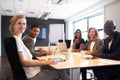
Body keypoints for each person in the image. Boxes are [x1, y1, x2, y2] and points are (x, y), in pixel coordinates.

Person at [9, 14, 69, 80]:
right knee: (60, 70)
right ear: (13, 25)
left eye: (24, 24)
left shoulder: (16, 39)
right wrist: (45, 62)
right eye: (19, 23)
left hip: (32, 70)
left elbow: (27, 54)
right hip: (32, 75)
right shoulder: (18, 40)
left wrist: (42, 61)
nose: (22, 26)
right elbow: (24, 62)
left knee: (55, 66)